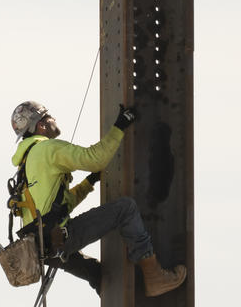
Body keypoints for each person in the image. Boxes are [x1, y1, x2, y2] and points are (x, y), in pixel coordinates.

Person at [10, 100, 186, 296]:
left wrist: (89, 182)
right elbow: (95, 158)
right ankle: (154, 277)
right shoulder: (48, 149)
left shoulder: (26, 163)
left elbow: (59, 206)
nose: (54, 119)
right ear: (41, 125)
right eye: (49, 117)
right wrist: (120, 126)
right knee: (125, 209)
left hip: (44, 250)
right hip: (60, 239)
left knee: (99, 275)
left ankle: (116, 304)